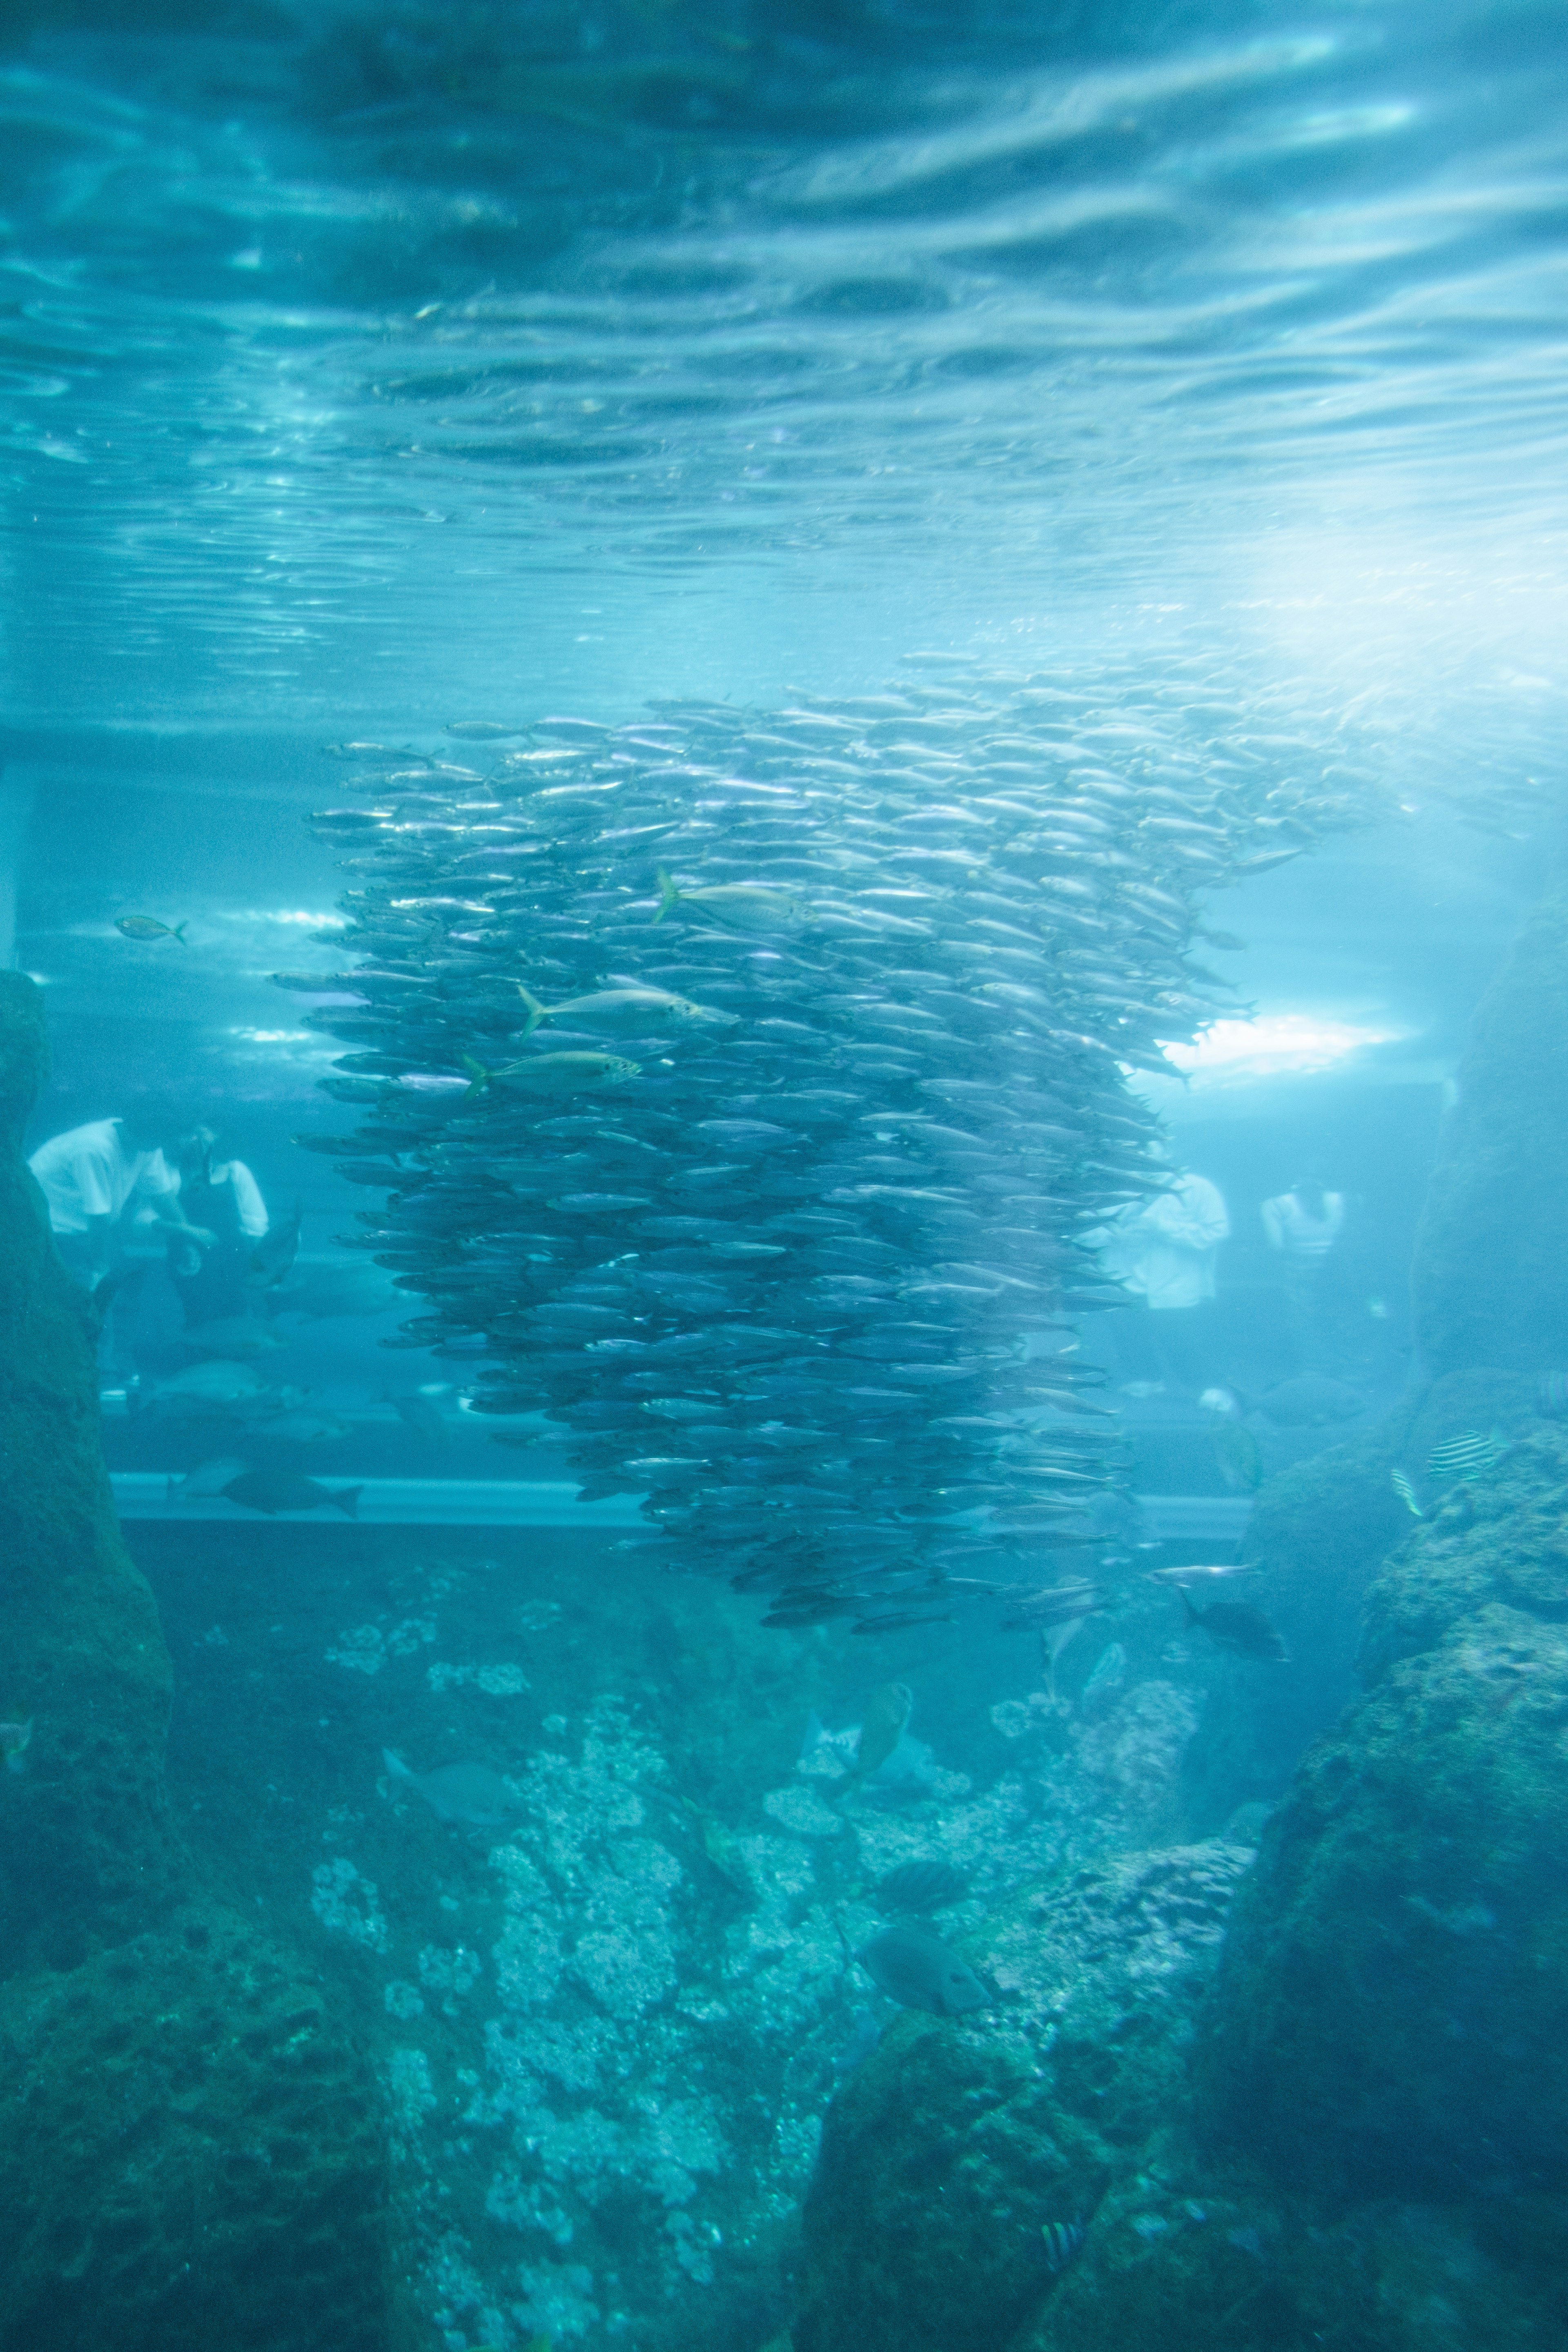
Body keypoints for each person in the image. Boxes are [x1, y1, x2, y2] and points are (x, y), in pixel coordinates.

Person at [27, 1109, 215, 1290]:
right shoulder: (95, 1149)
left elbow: (163, 1197)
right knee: (79, 1294)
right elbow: (97, 1216)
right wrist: (99, 1270)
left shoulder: (148, 1144)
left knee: (112, 1281)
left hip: (84, 1229)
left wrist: (187, 1240)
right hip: (47, 1225)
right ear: (146, 1132)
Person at [1096, 1163, 1230, 1392]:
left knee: (1185, 1346)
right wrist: (1110, 1234)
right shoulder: (1108, 1187)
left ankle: (1205, 1392)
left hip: (1175, 1287)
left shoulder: (1197, 1188)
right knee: (1132, 1346)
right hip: (1121, 1284)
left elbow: (1215, 1232)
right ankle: (1145, 1386)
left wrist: (1161, 1227)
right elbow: (1086, 1229)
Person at [166, 1124, 270, 1327]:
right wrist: (187, 1233)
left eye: (202, 1133)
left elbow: (256, 1225)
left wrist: (262, 1272)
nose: (195, 1140)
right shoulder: (168, 1173)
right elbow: (143, 1222)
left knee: (234, 1320)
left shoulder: (235, 1170)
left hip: (233, 1261)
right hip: (185, 1262)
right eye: (189, 1133)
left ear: (217, 1136)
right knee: (196, 1321)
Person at [1261, 1176, 1345, 1368]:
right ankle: (1340, 1366)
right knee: (1336, 1320)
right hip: (1336, 1274)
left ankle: (1313, 1368)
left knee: (1304, 1322)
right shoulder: (1341, 1199)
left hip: (1300, 1276)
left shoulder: (1275, 1205)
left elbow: (1276, 1247)